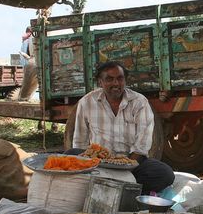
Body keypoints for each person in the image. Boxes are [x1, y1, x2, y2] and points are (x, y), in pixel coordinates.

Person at [71, 61, 175, 193]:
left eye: (120, 78)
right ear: (100, 82)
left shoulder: (139, 102)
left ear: (125, 80)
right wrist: (88, 163)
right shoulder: (86, 102)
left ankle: (119, 188)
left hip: (130, 164)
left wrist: (124, 169)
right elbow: (80, 141)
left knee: (165, 174)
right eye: (109, 79)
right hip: (97, 164)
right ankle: (122, 187)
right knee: (70, 155)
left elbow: (142, 146)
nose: (116, 83)